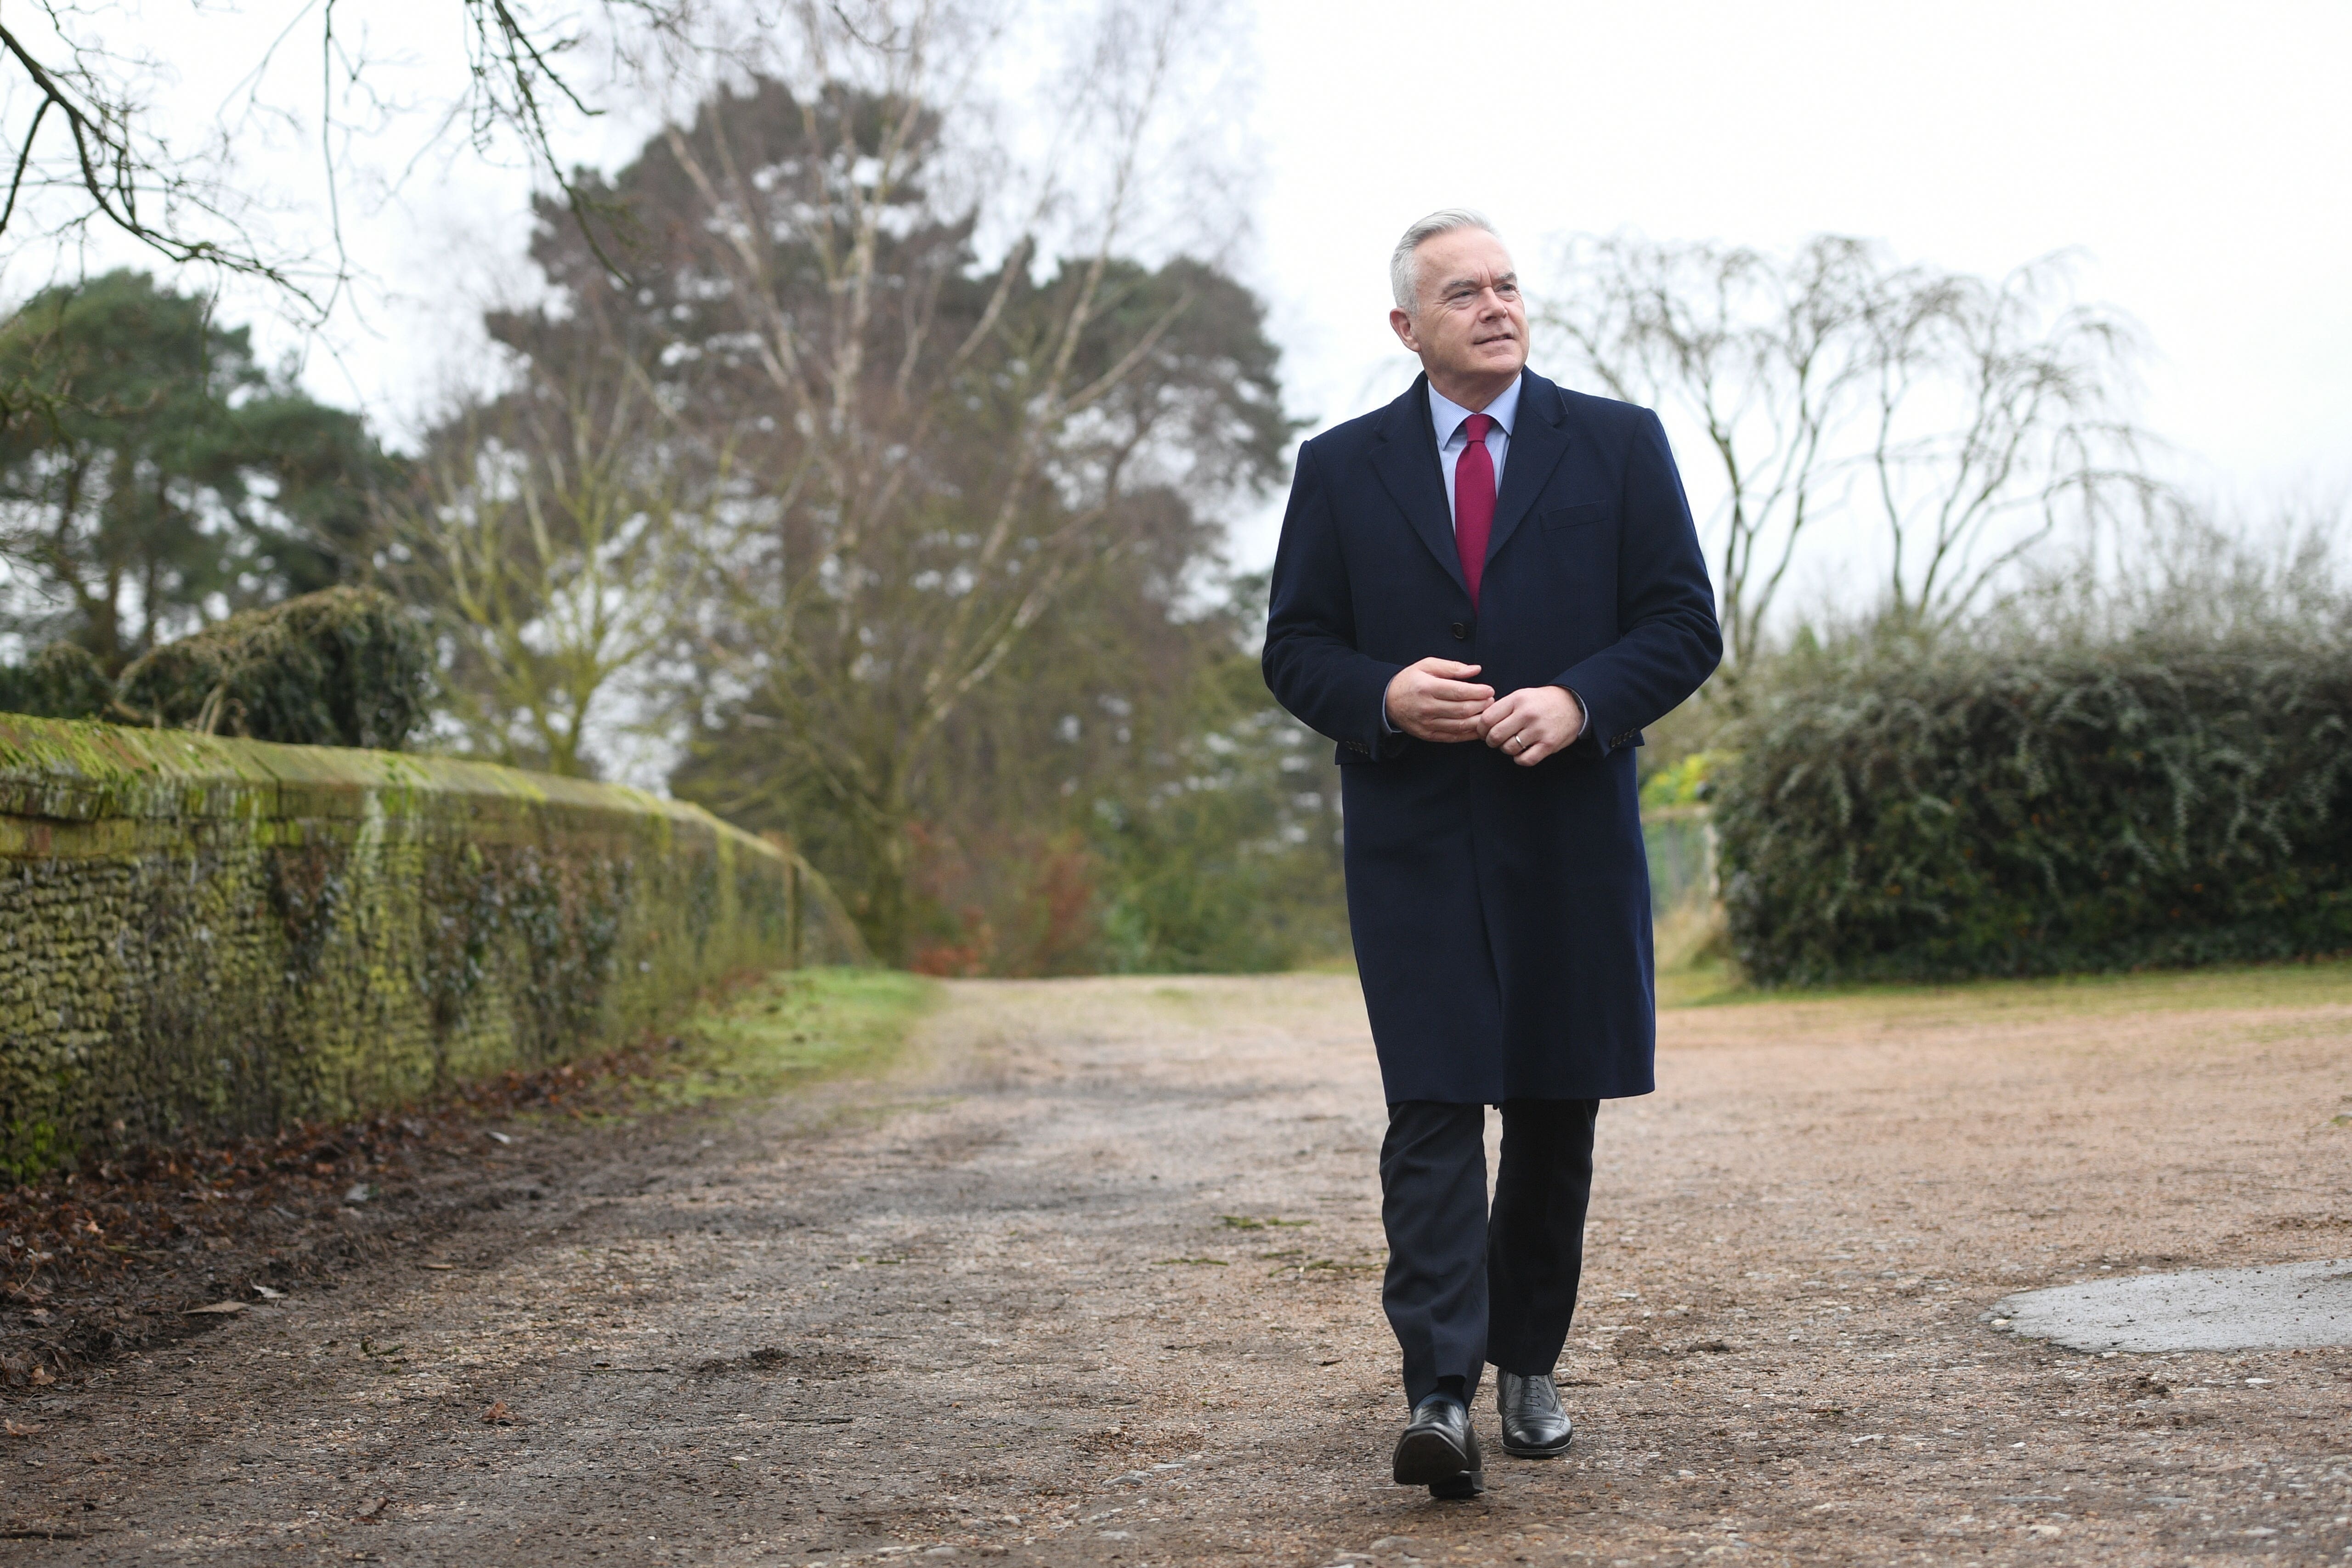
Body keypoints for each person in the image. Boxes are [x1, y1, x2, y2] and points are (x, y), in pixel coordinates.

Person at [1262, 209, 1721, 1499]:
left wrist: (1582, 701)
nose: (1497, 306)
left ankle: (1528, 1364)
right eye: (1464, 293)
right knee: (1431, 1108)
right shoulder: (1342, 469)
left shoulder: (1619, 447)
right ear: (1407, 328)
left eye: (1509, 285)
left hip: (1569, 838)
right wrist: (1385, 697)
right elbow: (1294, 647)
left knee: (1555, 1106)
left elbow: (1684, 624)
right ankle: (1436, 1393)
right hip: (1413, 844)